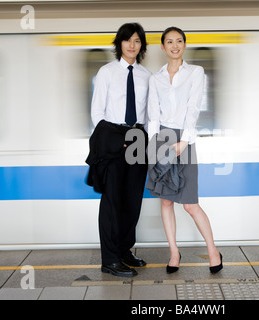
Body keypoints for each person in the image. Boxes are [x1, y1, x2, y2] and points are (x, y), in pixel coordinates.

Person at [146, 27, 223, 274]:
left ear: (184, 45)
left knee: (190, 203)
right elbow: (152, 115)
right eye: (169, 41)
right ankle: (174, 253)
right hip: (161, 140)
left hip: (185, 139)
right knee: (167, 201)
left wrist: (184, 142)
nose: (174, 45)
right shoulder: (155, 78)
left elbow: (194, 108)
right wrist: (154, 146)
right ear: (162, 47)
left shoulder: (195, 72)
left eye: (179, 41)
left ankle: (212, 250)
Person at [89, 22, 151, 277]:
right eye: (128, 40)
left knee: (132, 200)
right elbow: (96, 112)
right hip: (113, 136)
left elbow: (148, 114)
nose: (132, 45)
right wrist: (116, 139)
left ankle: (125, 251)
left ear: (141, 45)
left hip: (138, 137)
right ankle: (110, 259)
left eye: (137, 41)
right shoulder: (106, 72)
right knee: (112, 201)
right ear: (120, 43)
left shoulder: (146, 75)